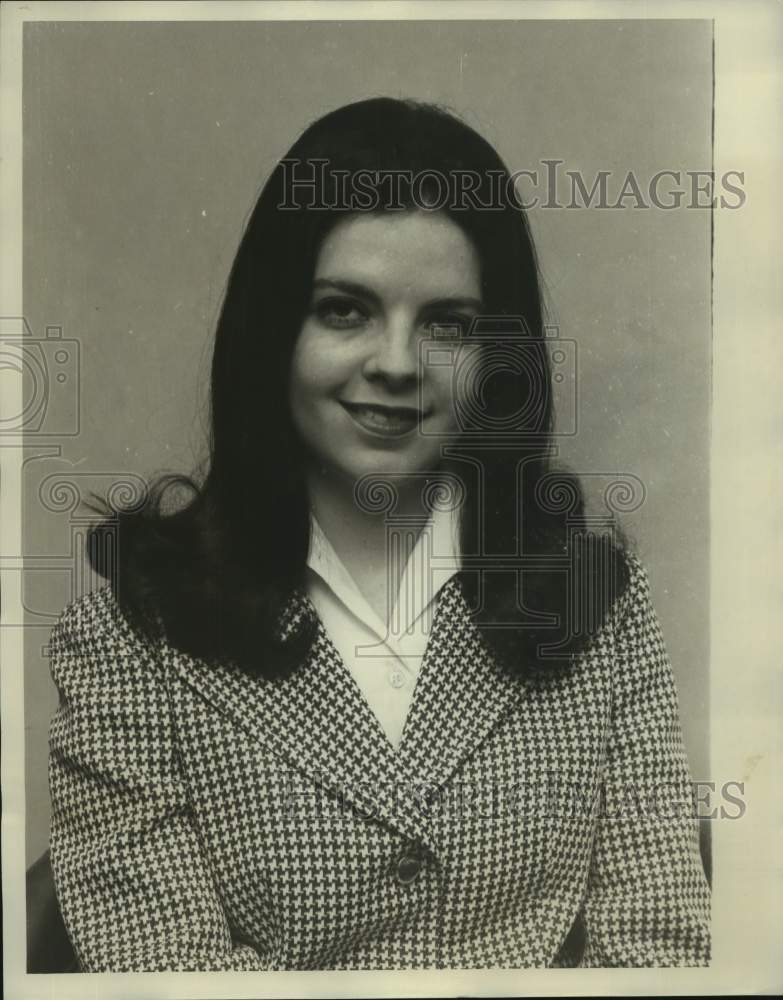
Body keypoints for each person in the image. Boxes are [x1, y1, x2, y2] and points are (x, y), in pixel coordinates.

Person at [47, 97, 711, 971]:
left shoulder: (597, 600)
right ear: (273, 333)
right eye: (345, 310)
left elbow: (657, 938)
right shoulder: (128, 638)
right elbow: (168, 972)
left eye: (448, 325)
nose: (396, 363)